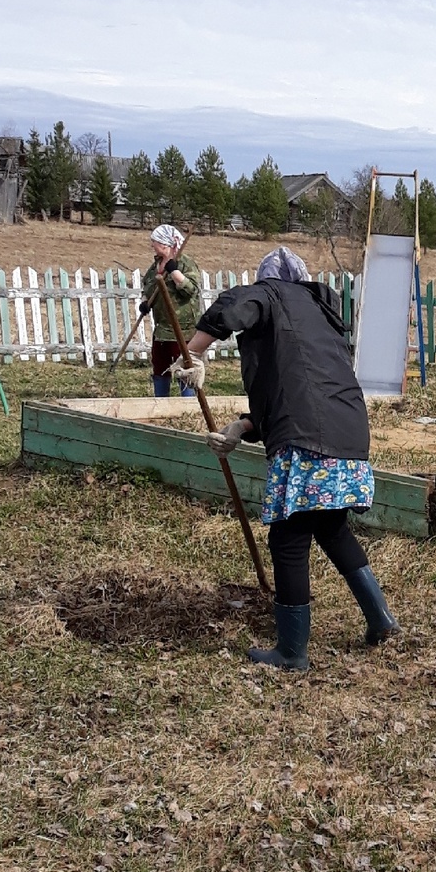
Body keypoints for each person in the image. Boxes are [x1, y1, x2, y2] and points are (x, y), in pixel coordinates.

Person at [183, 246, 397, 672]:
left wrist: (194, 352)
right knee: (332, 528)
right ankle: (381, 620)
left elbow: (232, 307)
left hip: (308, 441)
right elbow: (301, 391)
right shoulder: (317, 317)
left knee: (289, 539)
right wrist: (241, 429)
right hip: (348, 431)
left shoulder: (271, 296)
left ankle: (292, 651)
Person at [140, 225, 203, 396]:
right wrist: (145, 302)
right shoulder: (156, 265)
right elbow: (147, 286)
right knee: (160, 367)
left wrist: (174, 272)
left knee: (185, 368)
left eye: (155, 241)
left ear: (165, 243)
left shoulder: (185, 263)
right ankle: (161, 402)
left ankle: (187, 405)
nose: (152, 245)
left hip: (182, 328)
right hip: (162, 329)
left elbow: (191, 290)